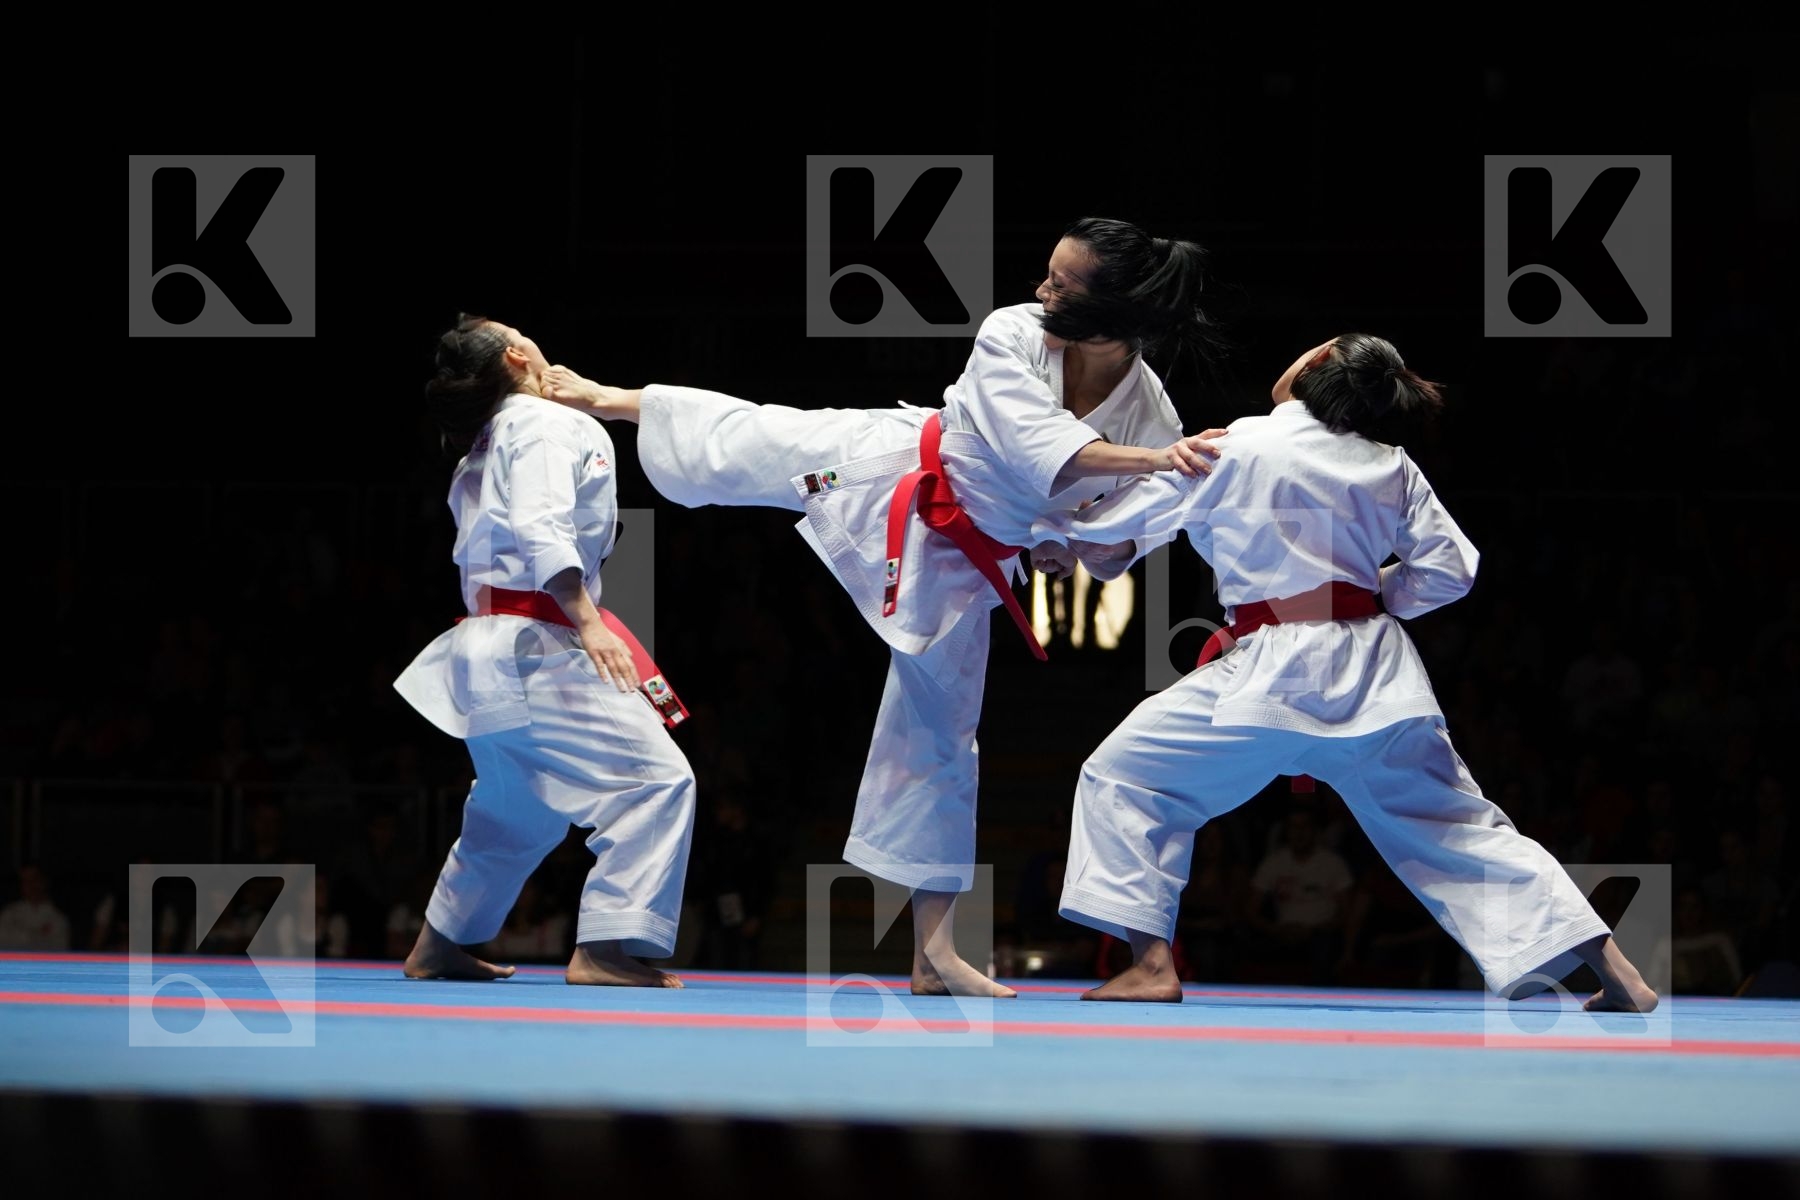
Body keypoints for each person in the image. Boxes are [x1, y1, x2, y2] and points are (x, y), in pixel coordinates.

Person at [542, 219, 1227, 997]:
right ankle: (611, 397)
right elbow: (1041, 450)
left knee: (941, 739)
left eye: (1061, 284)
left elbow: (1114, 536)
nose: (1041, 290)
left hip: (967, 565)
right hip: (902, 470)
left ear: (1111, 309)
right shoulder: (1014, 333)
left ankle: (934, 953)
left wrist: (1071, 538)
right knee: (771, 436)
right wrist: (1146, 466)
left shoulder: (1151, 412)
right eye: (1046, 275)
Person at [1031, 334, 1659, 1010]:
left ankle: (1151, 964)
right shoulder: (1391, 464)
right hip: (1377, 679)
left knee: (1124, 774)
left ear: (1315, 367)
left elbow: (1122, 523)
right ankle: (1620, 973)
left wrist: (1061, 536)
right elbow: (1451, 571)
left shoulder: (1240, 444)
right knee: (1462, 828)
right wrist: (1364, 596)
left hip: (1272, 676)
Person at [393, 314, 698, 988]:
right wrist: (589, 623)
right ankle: (609, 947)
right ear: (516, 352)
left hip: (486, 644)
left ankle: (439, 943)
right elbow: (540, 524)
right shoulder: (542, 425)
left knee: (516, 808)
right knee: (656, 782)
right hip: (539, 640)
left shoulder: (488, 436)